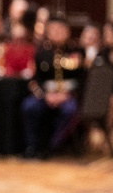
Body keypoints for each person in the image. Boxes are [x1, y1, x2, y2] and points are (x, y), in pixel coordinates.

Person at [21, 15, 85, 158]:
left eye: (60, 29)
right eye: (53, 30)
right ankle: (33, 147)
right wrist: (45, 95)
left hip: (68, 96)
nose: (57, 33)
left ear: (67, 31)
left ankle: (53, 146)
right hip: (46, 96)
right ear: (47, 33)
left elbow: (83, 80)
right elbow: (34, 81)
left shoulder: (77, 51)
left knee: (70, 111)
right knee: (29, 106)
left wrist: (67, 95)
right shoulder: (41, 53)